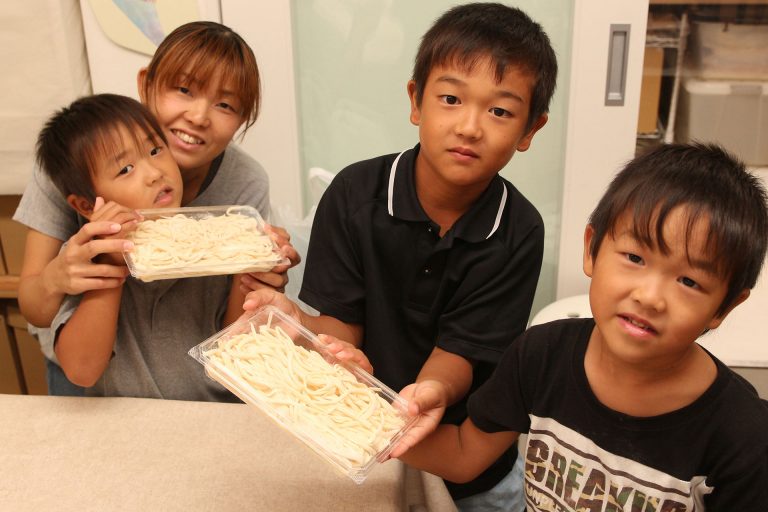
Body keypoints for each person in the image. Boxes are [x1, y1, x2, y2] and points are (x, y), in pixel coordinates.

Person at [240, 3, 556, 508]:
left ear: (529, 131)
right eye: (450, 98)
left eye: (499, 110)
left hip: (464, 459)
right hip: (359, 436)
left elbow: (463, 351)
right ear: (416, 100)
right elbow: (340, 327)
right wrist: (295, 324)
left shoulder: (519, 229)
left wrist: (427, 391)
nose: (470, 126)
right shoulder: (354, 193)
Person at [394, 143, 768, 511]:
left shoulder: (744, 435)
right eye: (635, 257)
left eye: (688, 282)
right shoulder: (541, 356)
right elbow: (464, 456)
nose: (650, 296)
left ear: (725, 305)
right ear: (592, 249)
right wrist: (370, 425)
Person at [13, 21, 298, 395]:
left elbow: (234, 342)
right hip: (95, 383)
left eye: (225, 104)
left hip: (201, 388)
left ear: (241, 120)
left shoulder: (245, 185)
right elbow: (43, 315)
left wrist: (257, 269)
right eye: (184, 89)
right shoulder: (76, 161)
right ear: (147, 84)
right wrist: (61, 276)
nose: (198, 116)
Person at [35, 93, 253, 400]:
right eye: (124, 170)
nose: (154, 173)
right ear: (86, 204)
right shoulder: (85, 257)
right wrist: (112, 266)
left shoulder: (220, 240)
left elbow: (241, 351)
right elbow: (82, 370)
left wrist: (255, 266)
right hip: (126, 426)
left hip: (212, 415)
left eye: (155, 150)